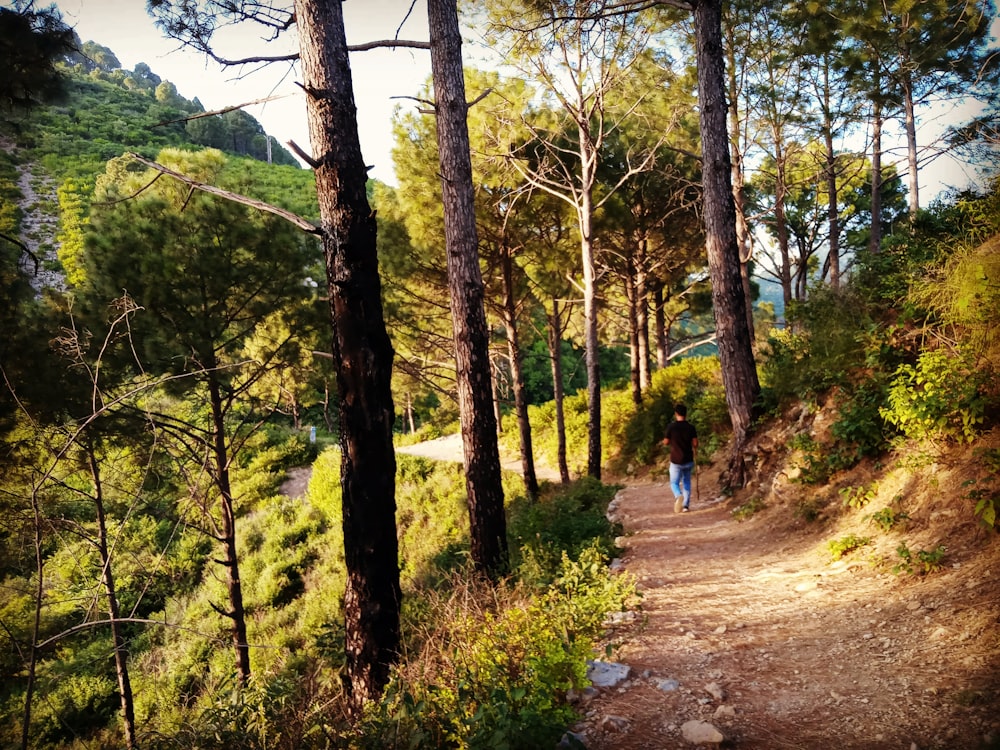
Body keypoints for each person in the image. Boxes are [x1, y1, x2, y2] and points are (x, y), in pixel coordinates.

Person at [662, 403, 698, 513]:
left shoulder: (671, 427)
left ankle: (678, 495)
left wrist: (665, 441)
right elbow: (695, 443)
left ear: (676, 414)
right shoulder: (691, 427)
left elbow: (666, 442)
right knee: (686, 482)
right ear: (686, 414)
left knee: (674, 482)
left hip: (676, 460)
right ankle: (685, 506)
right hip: (688, 459)